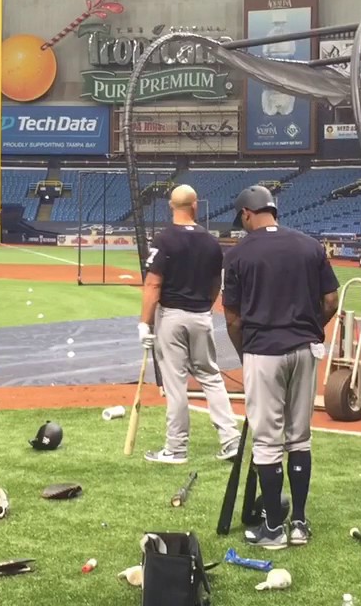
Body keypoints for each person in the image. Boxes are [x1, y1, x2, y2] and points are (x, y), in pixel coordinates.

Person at [222, 185, 339, 550]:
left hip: (263, 351)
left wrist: (247, 355)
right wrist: (309, 329)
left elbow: (232, 319)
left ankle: (273, 529)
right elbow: (331, 300)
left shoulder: (238, 254)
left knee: (268, 442)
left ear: (246, 214)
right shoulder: (309, 245)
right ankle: (300, 523)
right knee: (299, 437)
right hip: (305, 349)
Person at [139, 184, 242, 465]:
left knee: (176, 383)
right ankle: (231, 439)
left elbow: (153, 284)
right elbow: (215, 284)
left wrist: (144, 324)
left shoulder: (164, 240)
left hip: (172, 316)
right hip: (202, 316)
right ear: (195, 205)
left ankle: (176, 448)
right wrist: (203, 307)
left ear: (171, 207)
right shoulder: (210, 241)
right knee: (211, 376)